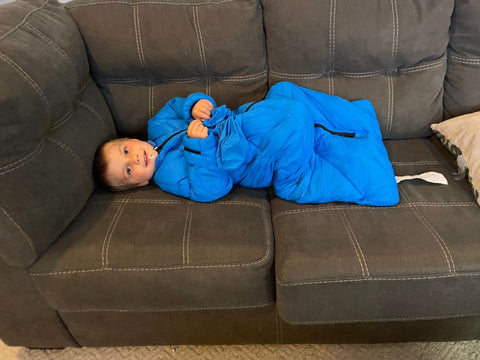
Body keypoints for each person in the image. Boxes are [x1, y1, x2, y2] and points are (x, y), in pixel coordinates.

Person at [94, 81, 399, 206]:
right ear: (138, 185)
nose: (135, 160)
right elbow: (208, 190)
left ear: (130, 139)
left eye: (126, 152)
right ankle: (297, 171)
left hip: (236, 124)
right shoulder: (167, 176)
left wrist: (196, 105)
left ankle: (348, 127)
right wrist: (198, 149)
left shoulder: (157, 124)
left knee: (285, 92)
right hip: (245, 163)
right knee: (291, 123)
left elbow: (177, 105)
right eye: (129, 171)